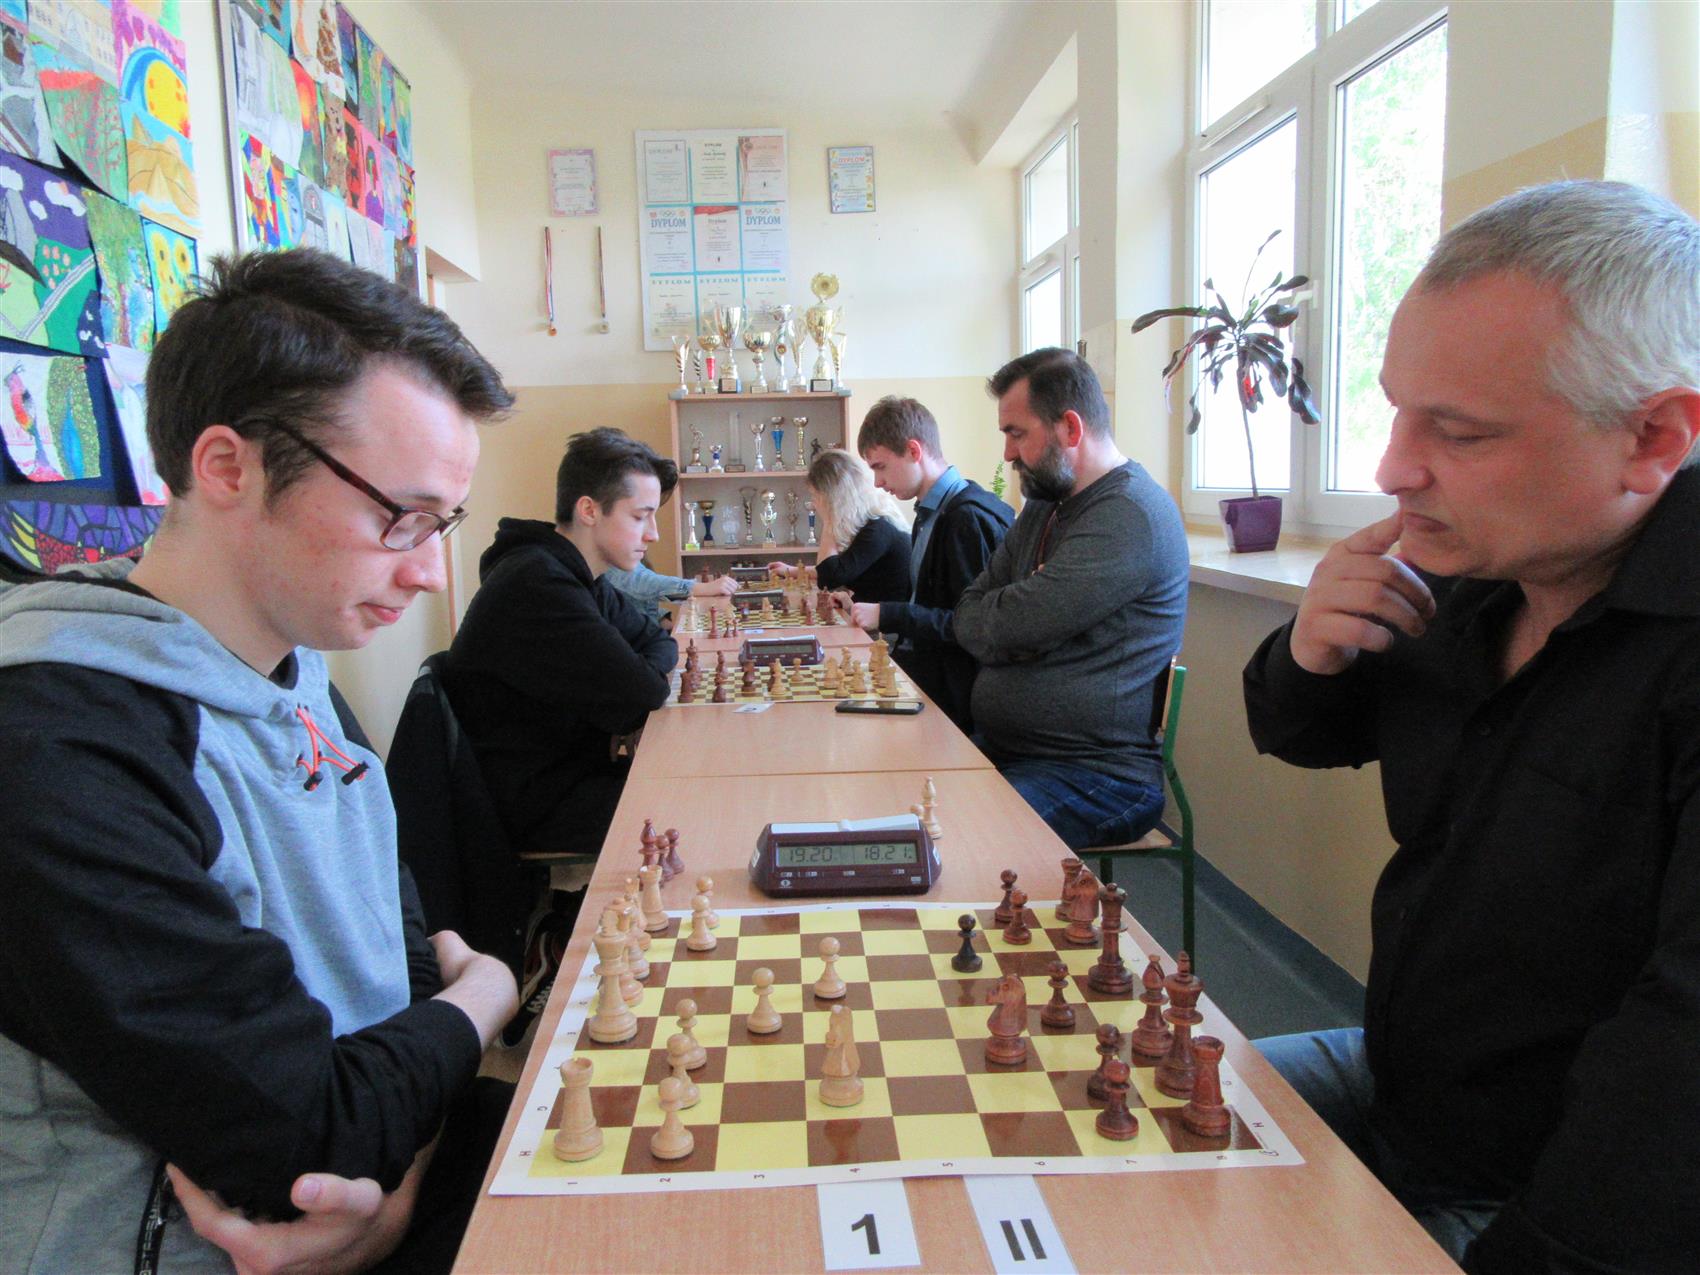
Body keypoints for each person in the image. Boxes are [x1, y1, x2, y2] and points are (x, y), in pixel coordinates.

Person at [0, 248, 520, 1274]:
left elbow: (400, 970)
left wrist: (397, 1186)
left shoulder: (297, 674)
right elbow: (302, 1137)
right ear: (229, 468)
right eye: (401, 517)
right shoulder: (55, 746)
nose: (429, 571)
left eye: (443, 522)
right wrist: (491, 995)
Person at [1242, 181, 1700, 1273]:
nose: (1390, 469)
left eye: (1456, 431)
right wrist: (1307, 650)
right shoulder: (1475, 569)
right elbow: (1302, 734)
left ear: (1652, 436)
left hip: (1539, 1191)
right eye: (1397, 410)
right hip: (1396, 1079)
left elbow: (1674, 1077)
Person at [954, 348, 1187, 850]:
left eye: (1017, 433)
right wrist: (1019, 623)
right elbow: (968, 612)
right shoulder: (1045, 504)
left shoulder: (1128, 515)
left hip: (1098, 775)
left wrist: (1017, 628)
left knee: (963, 838)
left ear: (1070, 428)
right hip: (1014, 753)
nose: (1008, 454)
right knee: (899, 796)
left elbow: (1012, 625)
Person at [445, 427, 678, 863]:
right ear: (589, 510)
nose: (653, 535)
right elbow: (644, 693)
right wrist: (648, 668)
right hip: (530, 802)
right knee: (693, 808)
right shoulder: (538, 584)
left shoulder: (575, 573)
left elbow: (655, 639)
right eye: (640, 516)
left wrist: (648, 665)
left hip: (567, 774)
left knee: (686, 783)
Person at [849, 394, 1012, 729]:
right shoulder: (930, 513)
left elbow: (972, 627)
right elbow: (926, 600)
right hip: (931, 676)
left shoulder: (965, 518)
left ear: (913, 451)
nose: (878, 482)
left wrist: (888, 614)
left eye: (880, 467)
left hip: (957, 698)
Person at [767, 447, 911, 603]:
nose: (814, 504)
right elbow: (840, 567)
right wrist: (792, 571)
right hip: (870, 613)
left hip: (886, 618)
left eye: (816, 496)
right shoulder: (872, 523)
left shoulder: (878, 529)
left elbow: (829, 579)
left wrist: (829, 518)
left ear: (834, 497)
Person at [604, 557, 738, 627]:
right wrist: (702, 588)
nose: (653, 535)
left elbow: (636, 599)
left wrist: (663, 621)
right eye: (638, 518)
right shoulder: (607, 561)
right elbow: (643, 583)